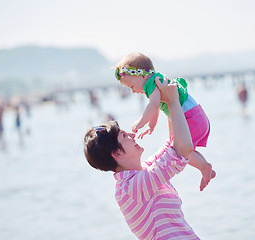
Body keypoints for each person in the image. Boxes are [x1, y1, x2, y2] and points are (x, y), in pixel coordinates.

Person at [84, 78, 200, 239]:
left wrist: (165, 102)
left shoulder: (141, 172)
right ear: (117, 153)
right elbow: (183, 149)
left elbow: (172, 144)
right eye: (124, 135)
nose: (132, 135)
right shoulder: (130, 188)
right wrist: (173, 102)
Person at [114, 52, 215, 191]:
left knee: (178, 151)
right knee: (181, 149)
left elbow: (153, 105)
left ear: (142, 75)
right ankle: (205, 166)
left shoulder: (152, 84)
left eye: (131, 86)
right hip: (197, 116)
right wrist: (151, 125)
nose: (133, 91)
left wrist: (140, 122)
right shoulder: (158, 80)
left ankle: (204, 167)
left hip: (190, 119)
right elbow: (156, 108)